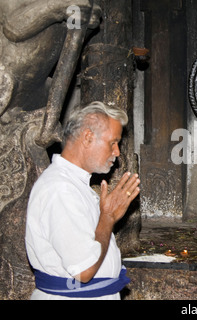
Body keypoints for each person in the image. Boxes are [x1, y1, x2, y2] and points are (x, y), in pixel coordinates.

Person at [25, 101, 140, 300]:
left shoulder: (75, 185)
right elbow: (85, 270)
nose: (117, 153)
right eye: (113, 142)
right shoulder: (60, 189)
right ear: (88, 137)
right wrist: (108, 217)